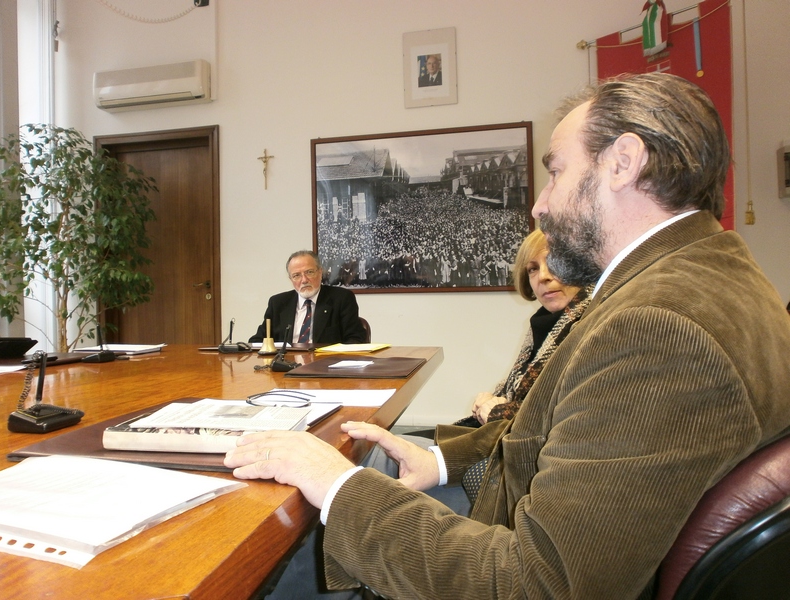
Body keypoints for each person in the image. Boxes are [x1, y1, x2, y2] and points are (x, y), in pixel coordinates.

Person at [226, 73, 790, 599]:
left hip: (500, 558)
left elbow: (535, 584)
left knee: (291, 539)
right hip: (501, 516)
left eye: (556, 171)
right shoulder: (705, 278)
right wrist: (441, 465)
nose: (540, 204)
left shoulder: (658, 328)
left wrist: (337, 485)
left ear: (623, 162)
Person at [459, 229, 592, 427]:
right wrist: (490, 400)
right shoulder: (542, 322)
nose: (543, 277)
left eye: (555, 262)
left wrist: (497, 412)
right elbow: (520, 392)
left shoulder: (592, 323)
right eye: (533, 269)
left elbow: (569, 416)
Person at [248, 250, 367, 345]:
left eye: (309, 272)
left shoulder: (341, 299)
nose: (304, 280)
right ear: (291, 279)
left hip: (325, 368)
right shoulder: (278, 303)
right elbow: (258, 341)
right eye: (296, 275)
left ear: (320, 273)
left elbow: (355, 340)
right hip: (284, 368)